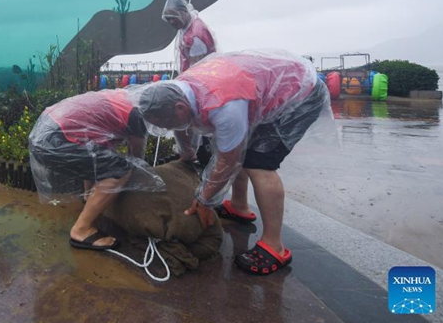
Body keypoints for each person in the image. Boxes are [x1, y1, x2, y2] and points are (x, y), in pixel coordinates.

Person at [136, 49, 331, 275]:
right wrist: (187, 154)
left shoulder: (223, 106)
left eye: (167, 122)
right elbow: (184, 127)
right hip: (256, 90)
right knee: (240, 151)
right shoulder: (177, 91)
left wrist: (204, 199)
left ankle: (274, 246)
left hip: (299, 93)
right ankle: (239, 206)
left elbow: (228, 159)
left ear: (180, 107)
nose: (168, 127)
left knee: (258, 163)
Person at [28, 89, 164, 251]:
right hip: (54, 142)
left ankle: (89, 199)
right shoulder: (137, 116)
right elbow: (136, 156)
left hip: (44, 132)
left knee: (100, 158)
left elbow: (96, 150)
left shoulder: (123, 98)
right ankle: (81, 229)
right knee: (120, 170)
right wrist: (133, 178)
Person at [162, 0, 217, 72]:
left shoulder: (194, 35)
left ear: (184, 12)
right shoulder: (186, 30)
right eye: (168, 19)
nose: (171, 22)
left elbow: (199, 69)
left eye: (174, 17)